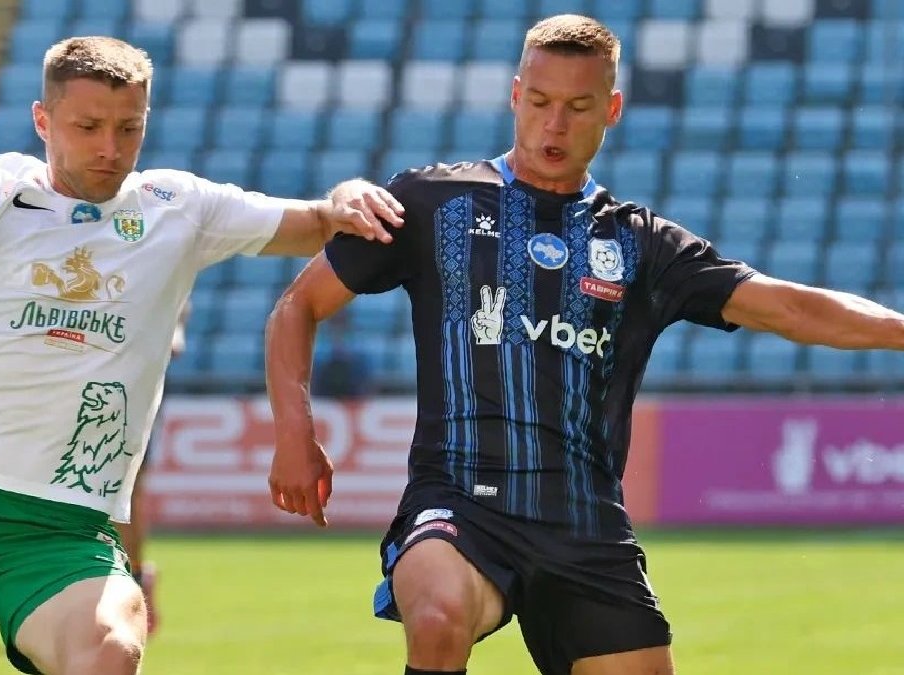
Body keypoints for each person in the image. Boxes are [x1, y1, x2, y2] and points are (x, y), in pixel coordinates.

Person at [264, 14, 904, 675]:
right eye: (540, 102)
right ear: (516, 96)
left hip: (583, 521)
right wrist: (294, 432)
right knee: (437, 615)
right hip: (458, 502)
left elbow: (790, 306)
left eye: (578, 107)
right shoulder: (432, 203)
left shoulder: (643, 244)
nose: (555, 125)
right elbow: (297, 306)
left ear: (612, 109)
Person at [0, 36, 402, 675]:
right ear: (42, 120)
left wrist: (351, 192)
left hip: (62, 531)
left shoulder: (179, 206)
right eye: (88, 127)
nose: (110, 147)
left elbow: (320, 221)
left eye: (129, 128)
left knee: (108, 652)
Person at [114, 300, 190, 636]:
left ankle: (135, 577)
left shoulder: (168, 282)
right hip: (89, 385)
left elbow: (175, 343)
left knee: (125, 490)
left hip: (136, 392)